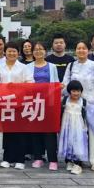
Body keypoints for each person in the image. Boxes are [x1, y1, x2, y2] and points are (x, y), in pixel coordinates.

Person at [62, 41, 94, 171]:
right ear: (75, 50)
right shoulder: (71, 65)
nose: (81, 50)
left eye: (84, 48)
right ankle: (76, 159)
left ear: (88, 50)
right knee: (75, 132)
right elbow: (65, 84)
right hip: (75, 104)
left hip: (92, 103)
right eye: (79, 48)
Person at [0, 42, 34, 169]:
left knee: (20, 132)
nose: (11, 53)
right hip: (5, 103)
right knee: (7, 132)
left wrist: (17, 87)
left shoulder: (24, 67)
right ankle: (7, 158)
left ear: (18, 53)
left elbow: (30, 83)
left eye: (14, 51)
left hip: (20, 103)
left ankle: (20, 159)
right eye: (9, 51)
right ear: (5, 52)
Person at [25, 41, 60, 171]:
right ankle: (38, 157)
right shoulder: (27, 67)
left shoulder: (52, 66)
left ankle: (52, 159)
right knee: (35, 131)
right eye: (36, 49)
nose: (38, 51)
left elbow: (56, 83)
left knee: (50, 132)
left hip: (49, 103)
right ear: (32, 52)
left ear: (45, 51)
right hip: (33, 103)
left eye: (41, 49)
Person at [58, 80, 90, 175]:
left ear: (81, 91)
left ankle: (78, 164)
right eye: (73, 91)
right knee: (68, 142)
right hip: (66, 127)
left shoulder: (83, 102)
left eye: (78, 91)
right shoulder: (64, 100)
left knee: (78, 143)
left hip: (79, 127)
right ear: (69, 91)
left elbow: (90, 114)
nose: (76, 93)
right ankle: (69, 161)